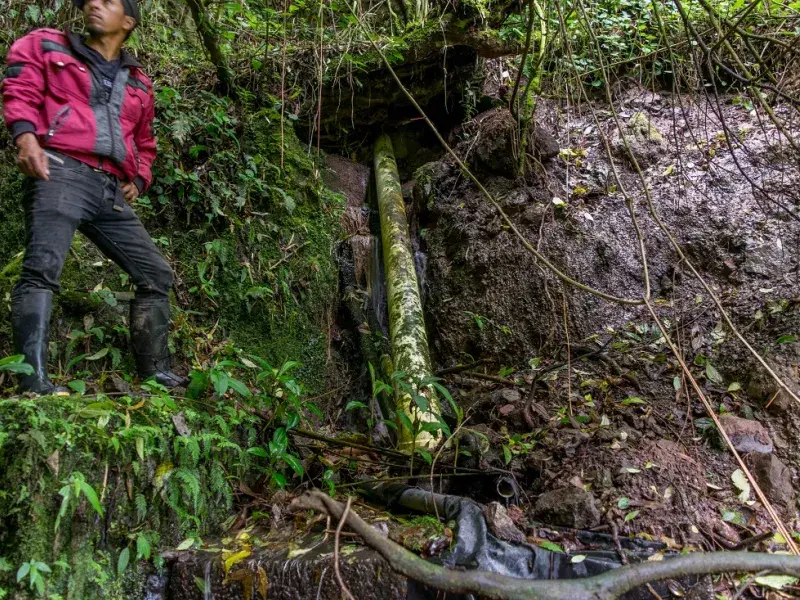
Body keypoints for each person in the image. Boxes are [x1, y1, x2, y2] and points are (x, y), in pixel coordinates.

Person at [3, 0, 185, 394]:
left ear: (129, 21)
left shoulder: (138, 82)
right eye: (89, 1)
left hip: (108, 189)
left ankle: (155, 374)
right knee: (41, 271)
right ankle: (32, 382)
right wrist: (26, 136)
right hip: (60, 170)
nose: (93, 5)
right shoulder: (49, 45)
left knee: (155, 274)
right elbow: (20, 85)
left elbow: (145, 140)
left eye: (107, 1)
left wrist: (139, 176)